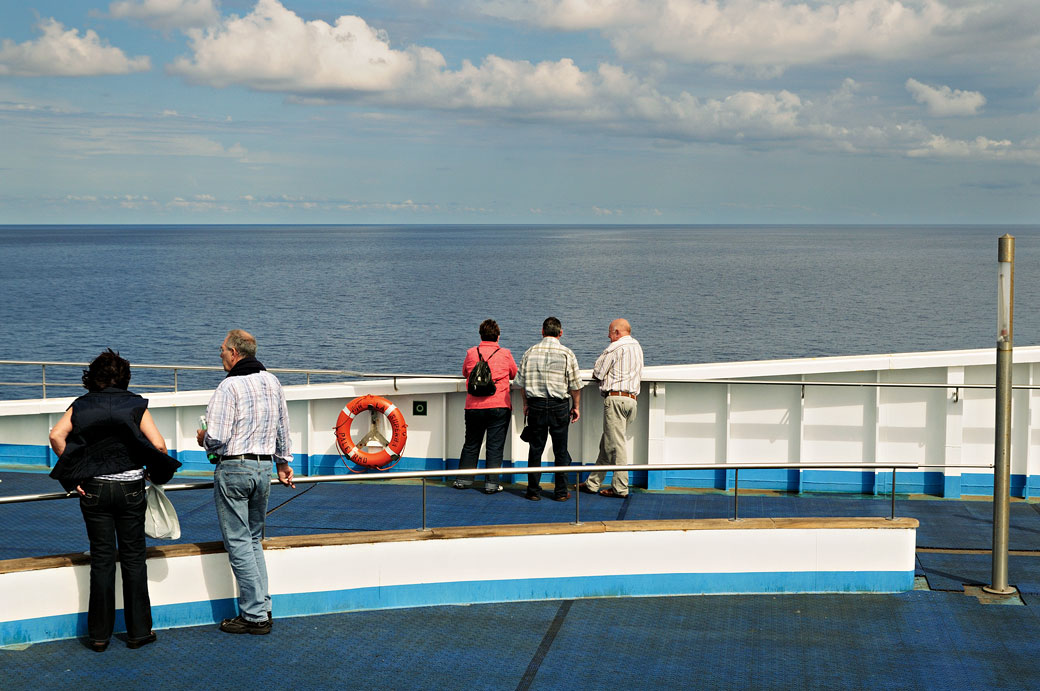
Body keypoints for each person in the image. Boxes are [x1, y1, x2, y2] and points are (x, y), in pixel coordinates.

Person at [48, 349, 181, 652]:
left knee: (102, 560)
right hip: (131, 488)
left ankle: (98, 636)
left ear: (93, 377)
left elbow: (57, 436)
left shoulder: (80, 405)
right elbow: (158, 445)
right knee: (134, 558)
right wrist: (149, 471)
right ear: (124, 377)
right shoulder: (135, 404)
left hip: (93, 489)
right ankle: (138, 632)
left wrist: (76, 474)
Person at [196, 329, 294, 635]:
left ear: (235, 353)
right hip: (264, 469)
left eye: (222, 349)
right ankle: (263, 606)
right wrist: (282, 462)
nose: (220, 354)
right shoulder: (272, 381)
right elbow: (282, 426)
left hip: (235, 469)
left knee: (238, 542)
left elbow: (217, 439)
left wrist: (202, 438)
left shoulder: (229, 387)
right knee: (253, 540)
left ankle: (254, 616)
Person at [515, 317, 582, 501]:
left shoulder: (530, 352)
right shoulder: (567, 353)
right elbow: (575, 385)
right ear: (560, 333)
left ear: (542, 331)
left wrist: (526, 403)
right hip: (559, 406)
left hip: (535, 405)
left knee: (535, 448)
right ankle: (560, 492)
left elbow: (520, 382)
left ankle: (533, 491)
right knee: (560, 450)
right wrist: (576, 406)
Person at [580, 318, 644, 498]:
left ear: (617, 332)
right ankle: (593, 483)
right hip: (631, 401)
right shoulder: (637, 347)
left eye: (610, 332)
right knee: (607, 444)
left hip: (616, 400)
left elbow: (598, 372)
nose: (608, 336)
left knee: (617, 446)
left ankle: (620, 488)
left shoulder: (616, 348)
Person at [455, 319, 518, 494]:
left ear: (481, 335)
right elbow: (514, 373)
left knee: (471, 443)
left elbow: (465, 372)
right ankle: (491, 484)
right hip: (499, 405)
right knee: (494, 446)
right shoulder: (505, 353)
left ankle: (463, 480)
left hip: (473, 406)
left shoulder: (471, 352)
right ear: (498, 336)